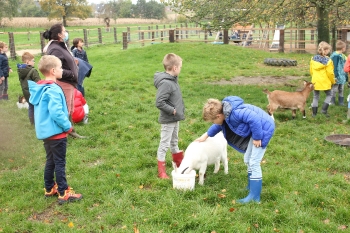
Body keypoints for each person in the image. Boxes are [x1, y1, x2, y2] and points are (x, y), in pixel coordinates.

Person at [196, 97, 275, 203]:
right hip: (257, 130)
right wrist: (205, 136)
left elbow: (254, 119)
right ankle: (250, 187)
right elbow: (218, 126)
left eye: (213, 120)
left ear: (219, 116)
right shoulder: (225, 114)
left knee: (254, 162)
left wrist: (257, 137)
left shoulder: (235, 113)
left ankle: (255, 197)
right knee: (247, 159)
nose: (214, 123)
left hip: (264, 129)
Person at [28, 55, 82, 204]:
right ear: (53, 71)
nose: (62, 70)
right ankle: (63, 192)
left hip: (45, 133)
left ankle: (49, 187)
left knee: (50, 160)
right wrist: (67, 126)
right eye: (59, 68)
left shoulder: (40, 87)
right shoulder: (52, 89)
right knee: (59, 162)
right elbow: (56, 112)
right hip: (57, 133)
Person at [42, 23, 85, 138]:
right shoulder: (55, 49)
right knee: (64, 109)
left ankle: (70, 131)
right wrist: (71, 74)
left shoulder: (59, 45)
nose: (66, 33)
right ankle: (62, 134)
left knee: (69, 108)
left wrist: (72, 62)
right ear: (60, 34)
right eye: (64, 31)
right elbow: (54, 69)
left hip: (68, 82)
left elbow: (63, 62)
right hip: (63, 82)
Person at [154, 53, 185, 179]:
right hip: (168, 119)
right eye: (180, 67)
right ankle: (161, 170)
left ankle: (179, 164)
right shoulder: (166, 83)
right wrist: (172, 110)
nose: (181, 69)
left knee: (174, 141)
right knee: (164, 144)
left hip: (175, 118)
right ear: (175, 68)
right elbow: (159, 102)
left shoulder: (173, 80)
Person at [310, 41, 335, 117]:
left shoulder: (313, 59)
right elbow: (330, 73)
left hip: (315, 81)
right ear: (326, 50)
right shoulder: (328, 61)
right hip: (325, 81)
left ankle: (314, 114)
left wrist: (313, 78)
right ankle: (324, 110)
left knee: (315, 96)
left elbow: (311, 70)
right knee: (329, 94)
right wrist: (333, 81)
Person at [17, 52, 41, 125]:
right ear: (28, 61)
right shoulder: (33, 71)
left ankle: (32, 123)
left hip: (26, 93)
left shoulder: (20, 70)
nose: (34, 62)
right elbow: (38, 82)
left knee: (31, 107)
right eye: (33, 60)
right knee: (37, 107)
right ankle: (38, 122)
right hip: (34, 93)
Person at [330, 40, 347, 106]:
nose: (345, 49)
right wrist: (335, 76)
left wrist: (345, 75)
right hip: (337, 76)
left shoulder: (342, 56)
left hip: (342, 76)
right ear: (342, 48)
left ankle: (341, 102)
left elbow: (345, 64)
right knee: (334, 89)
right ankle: (332, 102)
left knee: (341, 89)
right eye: (345, 47)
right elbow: (334, 66)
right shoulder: (335, 56)